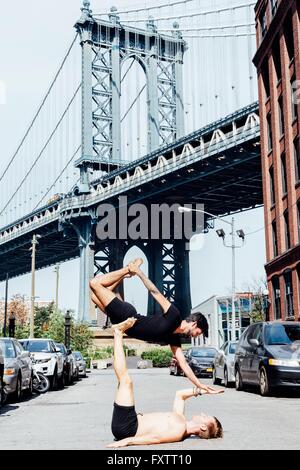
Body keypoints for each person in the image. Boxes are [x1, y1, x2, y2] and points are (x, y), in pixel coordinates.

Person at [90, 258, 222, 394]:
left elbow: (184, 364)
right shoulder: (174, 315)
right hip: (126, 315)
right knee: (94, 283)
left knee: (95, 295)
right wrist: (139, 273)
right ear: (194, 324)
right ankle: (128, 269)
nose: (196, 336)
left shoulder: (174, 338)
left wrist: (200, 385)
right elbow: (155, 292)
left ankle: (126, 273)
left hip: (120, 323)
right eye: (197, 332)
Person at [108, 318, 223, 448]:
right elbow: (180, 395)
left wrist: (127, 441)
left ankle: (118, 333)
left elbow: (155, 438)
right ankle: (117, 333)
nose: (203, 413)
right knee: (123, 383)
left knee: (126, 382)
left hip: (128, 428)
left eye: (206, 416)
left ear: (203, 426)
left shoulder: (179, 432)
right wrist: (203, 390)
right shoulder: (180, 420)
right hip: (131, 421)